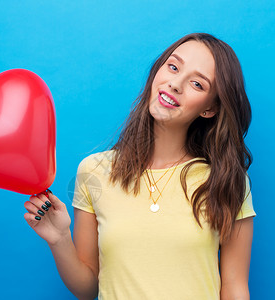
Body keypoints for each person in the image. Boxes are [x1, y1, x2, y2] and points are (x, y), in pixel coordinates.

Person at [24, 32, 256, 300]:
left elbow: (235, 286)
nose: (175, 83)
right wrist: (60, 239)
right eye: (173, 67)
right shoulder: (94, 171)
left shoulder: (226, 180)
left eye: (197, 84)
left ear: (209, 109)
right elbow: (89, 289)